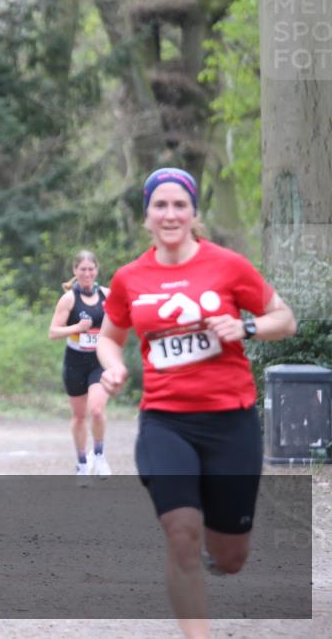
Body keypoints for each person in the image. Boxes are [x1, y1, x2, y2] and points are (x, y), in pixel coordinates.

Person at [96, 167, 296, 639]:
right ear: (146, 216)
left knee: (231, 559)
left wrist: (246, 327)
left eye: (179, 205)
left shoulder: (228, 265)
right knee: (181, 535)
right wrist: (113, 366)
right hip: (166, 422)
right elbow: (109, 337)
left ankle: (221, 548)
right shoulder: (129, 278)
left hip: (231, 422)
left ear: (193, 213)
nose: (169, 214)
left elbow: (284, 318)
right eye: (159, 206)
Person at [48, 250, 112, 485]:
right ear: (75, 271)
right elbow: (52, 332)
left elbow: (120, 325)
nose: (87, 273)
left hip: (99, 362)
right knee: (78, 416)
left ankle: (100, 455)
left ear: (97, 270)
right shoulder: (69, 299)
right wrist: (75, 327)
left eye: (91, 269)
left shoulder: (108, 295)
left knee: (96, 410)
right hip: (75, 363)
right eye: (82, 269)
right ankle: (82, 463)